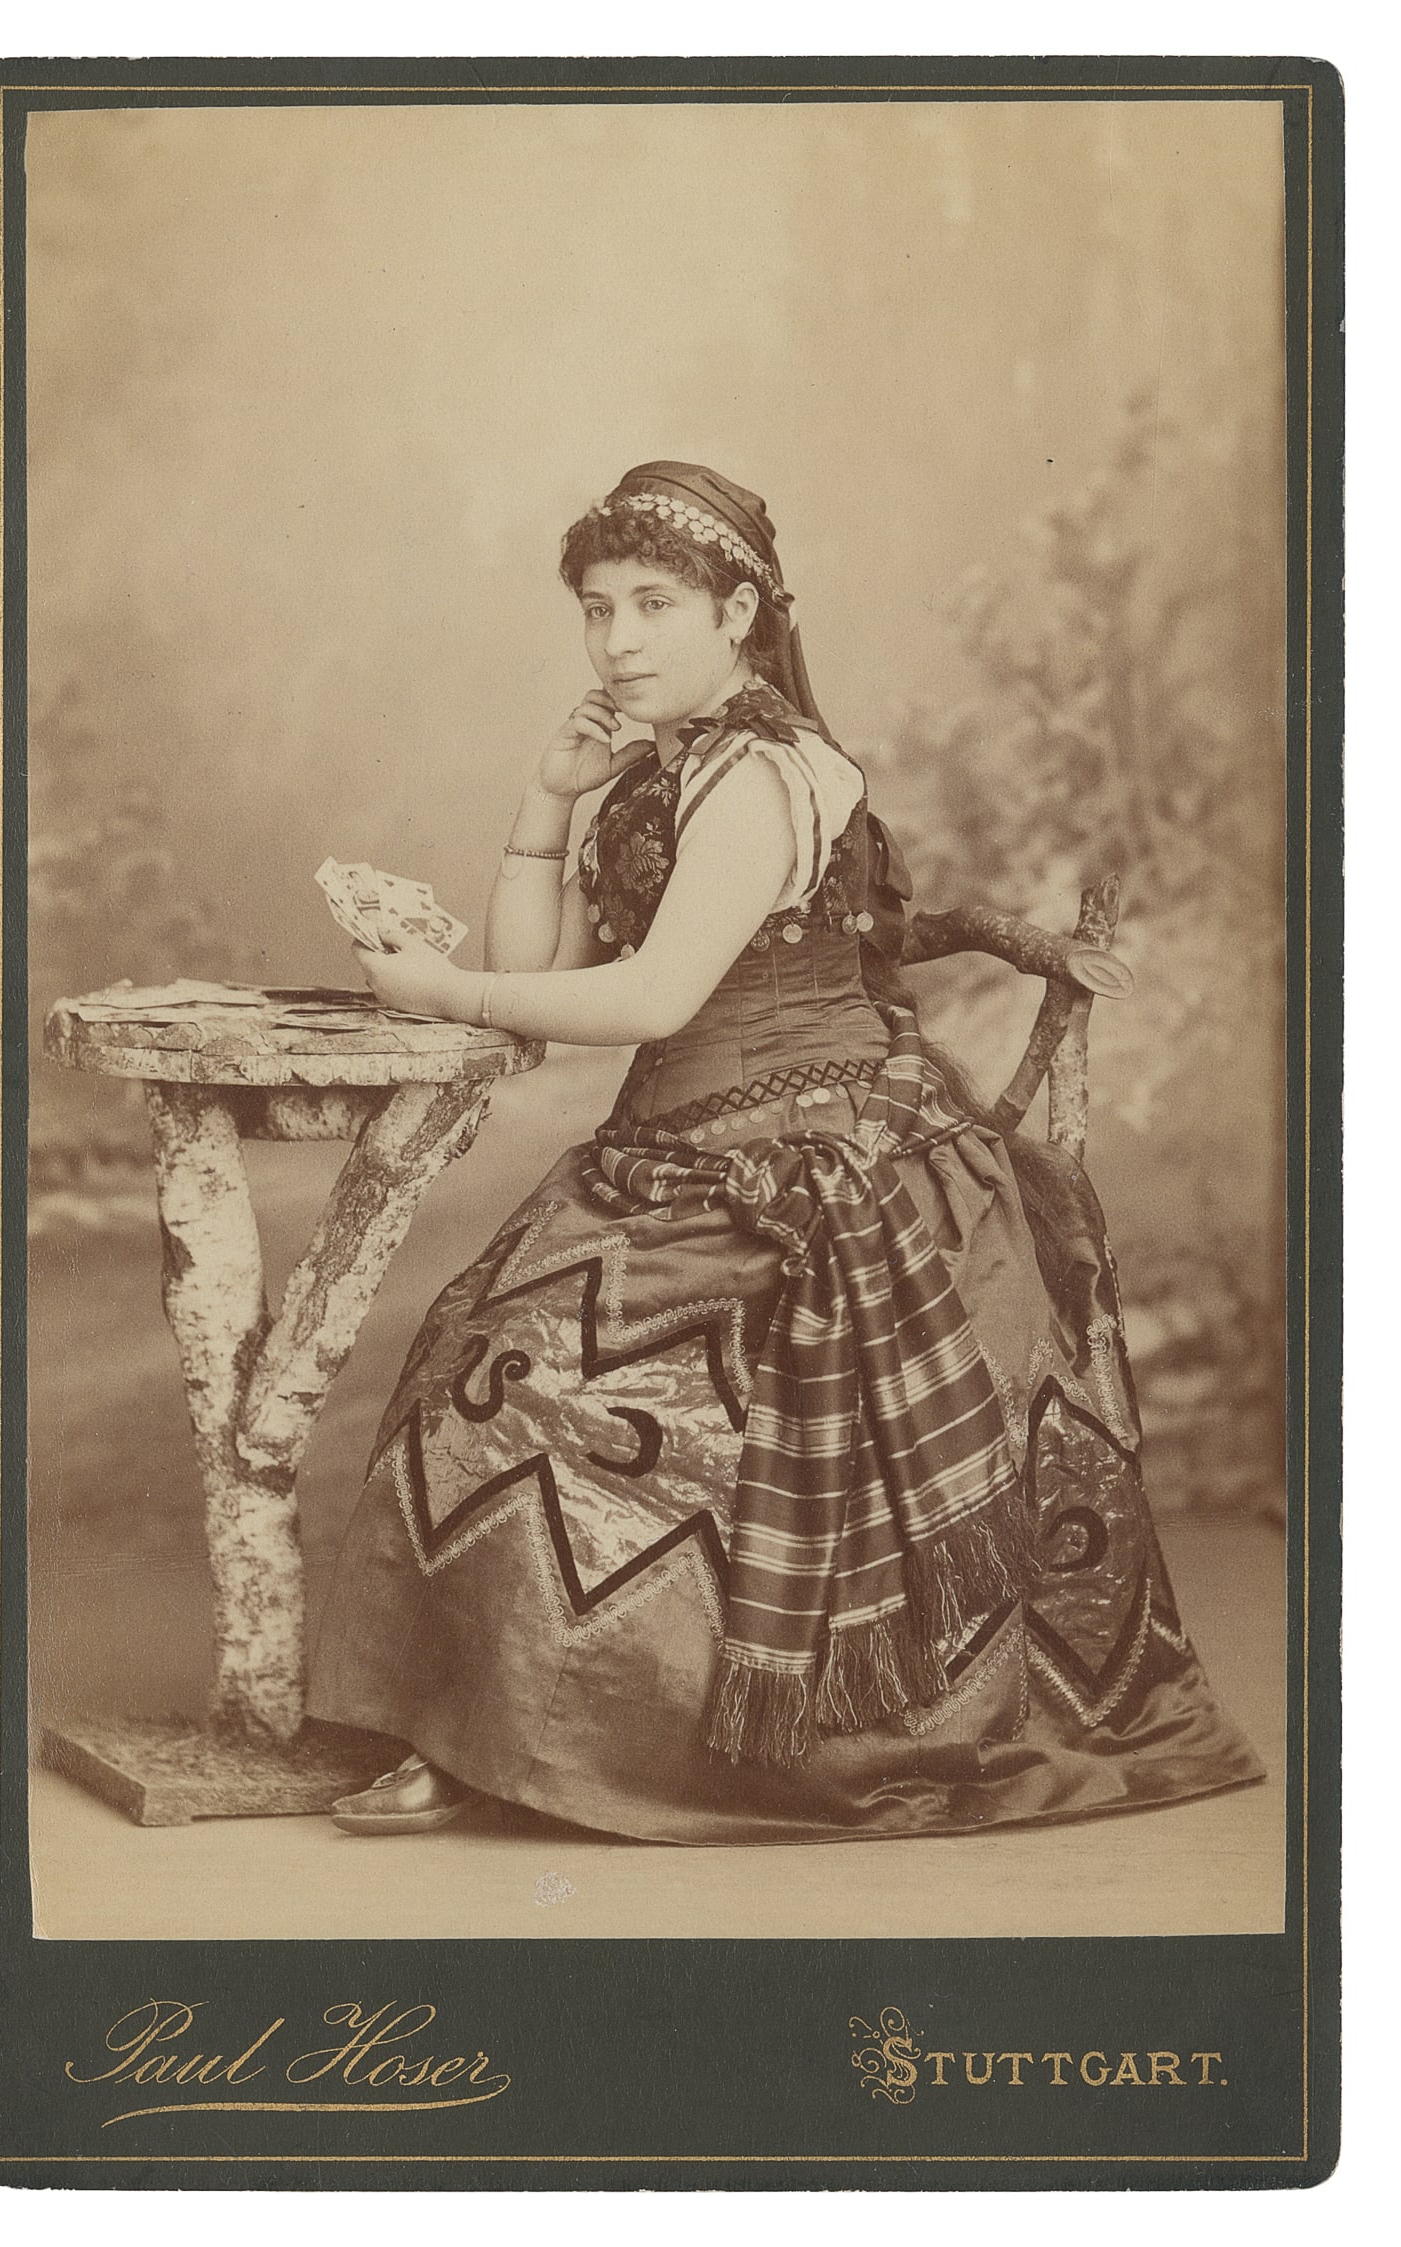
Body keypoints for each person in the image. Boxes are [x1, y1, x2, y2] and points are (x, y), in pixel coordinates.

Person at [308, 461, 1262, 1843]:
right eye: (595, 609)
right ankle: (495, 1730)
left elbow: (638, 1005)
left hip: (825, 1167)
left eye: (654, 604)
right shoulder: (656, 770)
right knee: (479, 1357)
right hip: (671, 1150)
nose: (617, 640)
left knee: (542, 1396)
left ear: (740, 610)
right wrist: (548, 797)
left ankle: (582, 1745)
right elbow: (546, 968)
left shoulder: (763, 776)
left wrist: (444, 997)